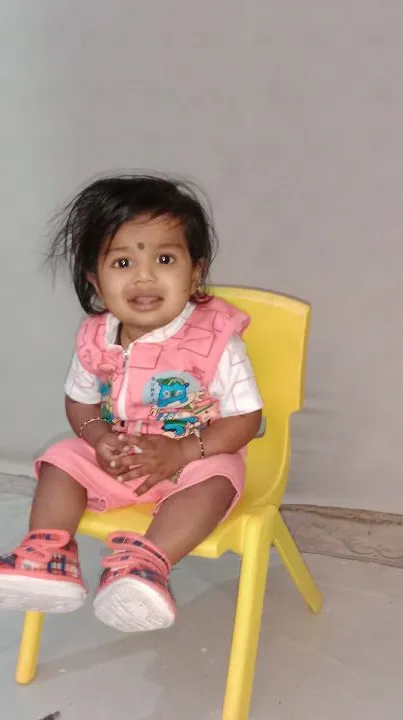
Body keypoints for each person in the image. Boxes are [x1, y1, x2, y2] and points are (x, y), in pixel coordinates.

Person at [0, 175, 263, 632]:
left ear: (195, 271)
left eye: (164, 258)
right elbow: (80, 406)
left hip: (192, 458)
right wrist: (99, 440)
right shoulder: (96, 338)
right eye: (122, 262)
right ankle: (49, 553)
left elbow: (246, 419)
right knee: (62, 458)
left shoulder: (215, 340)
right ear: (95, 283)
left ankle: (145, 565)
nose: (145, 276)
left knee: (223, 475)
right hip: (121, 459)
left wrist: (183, 452)